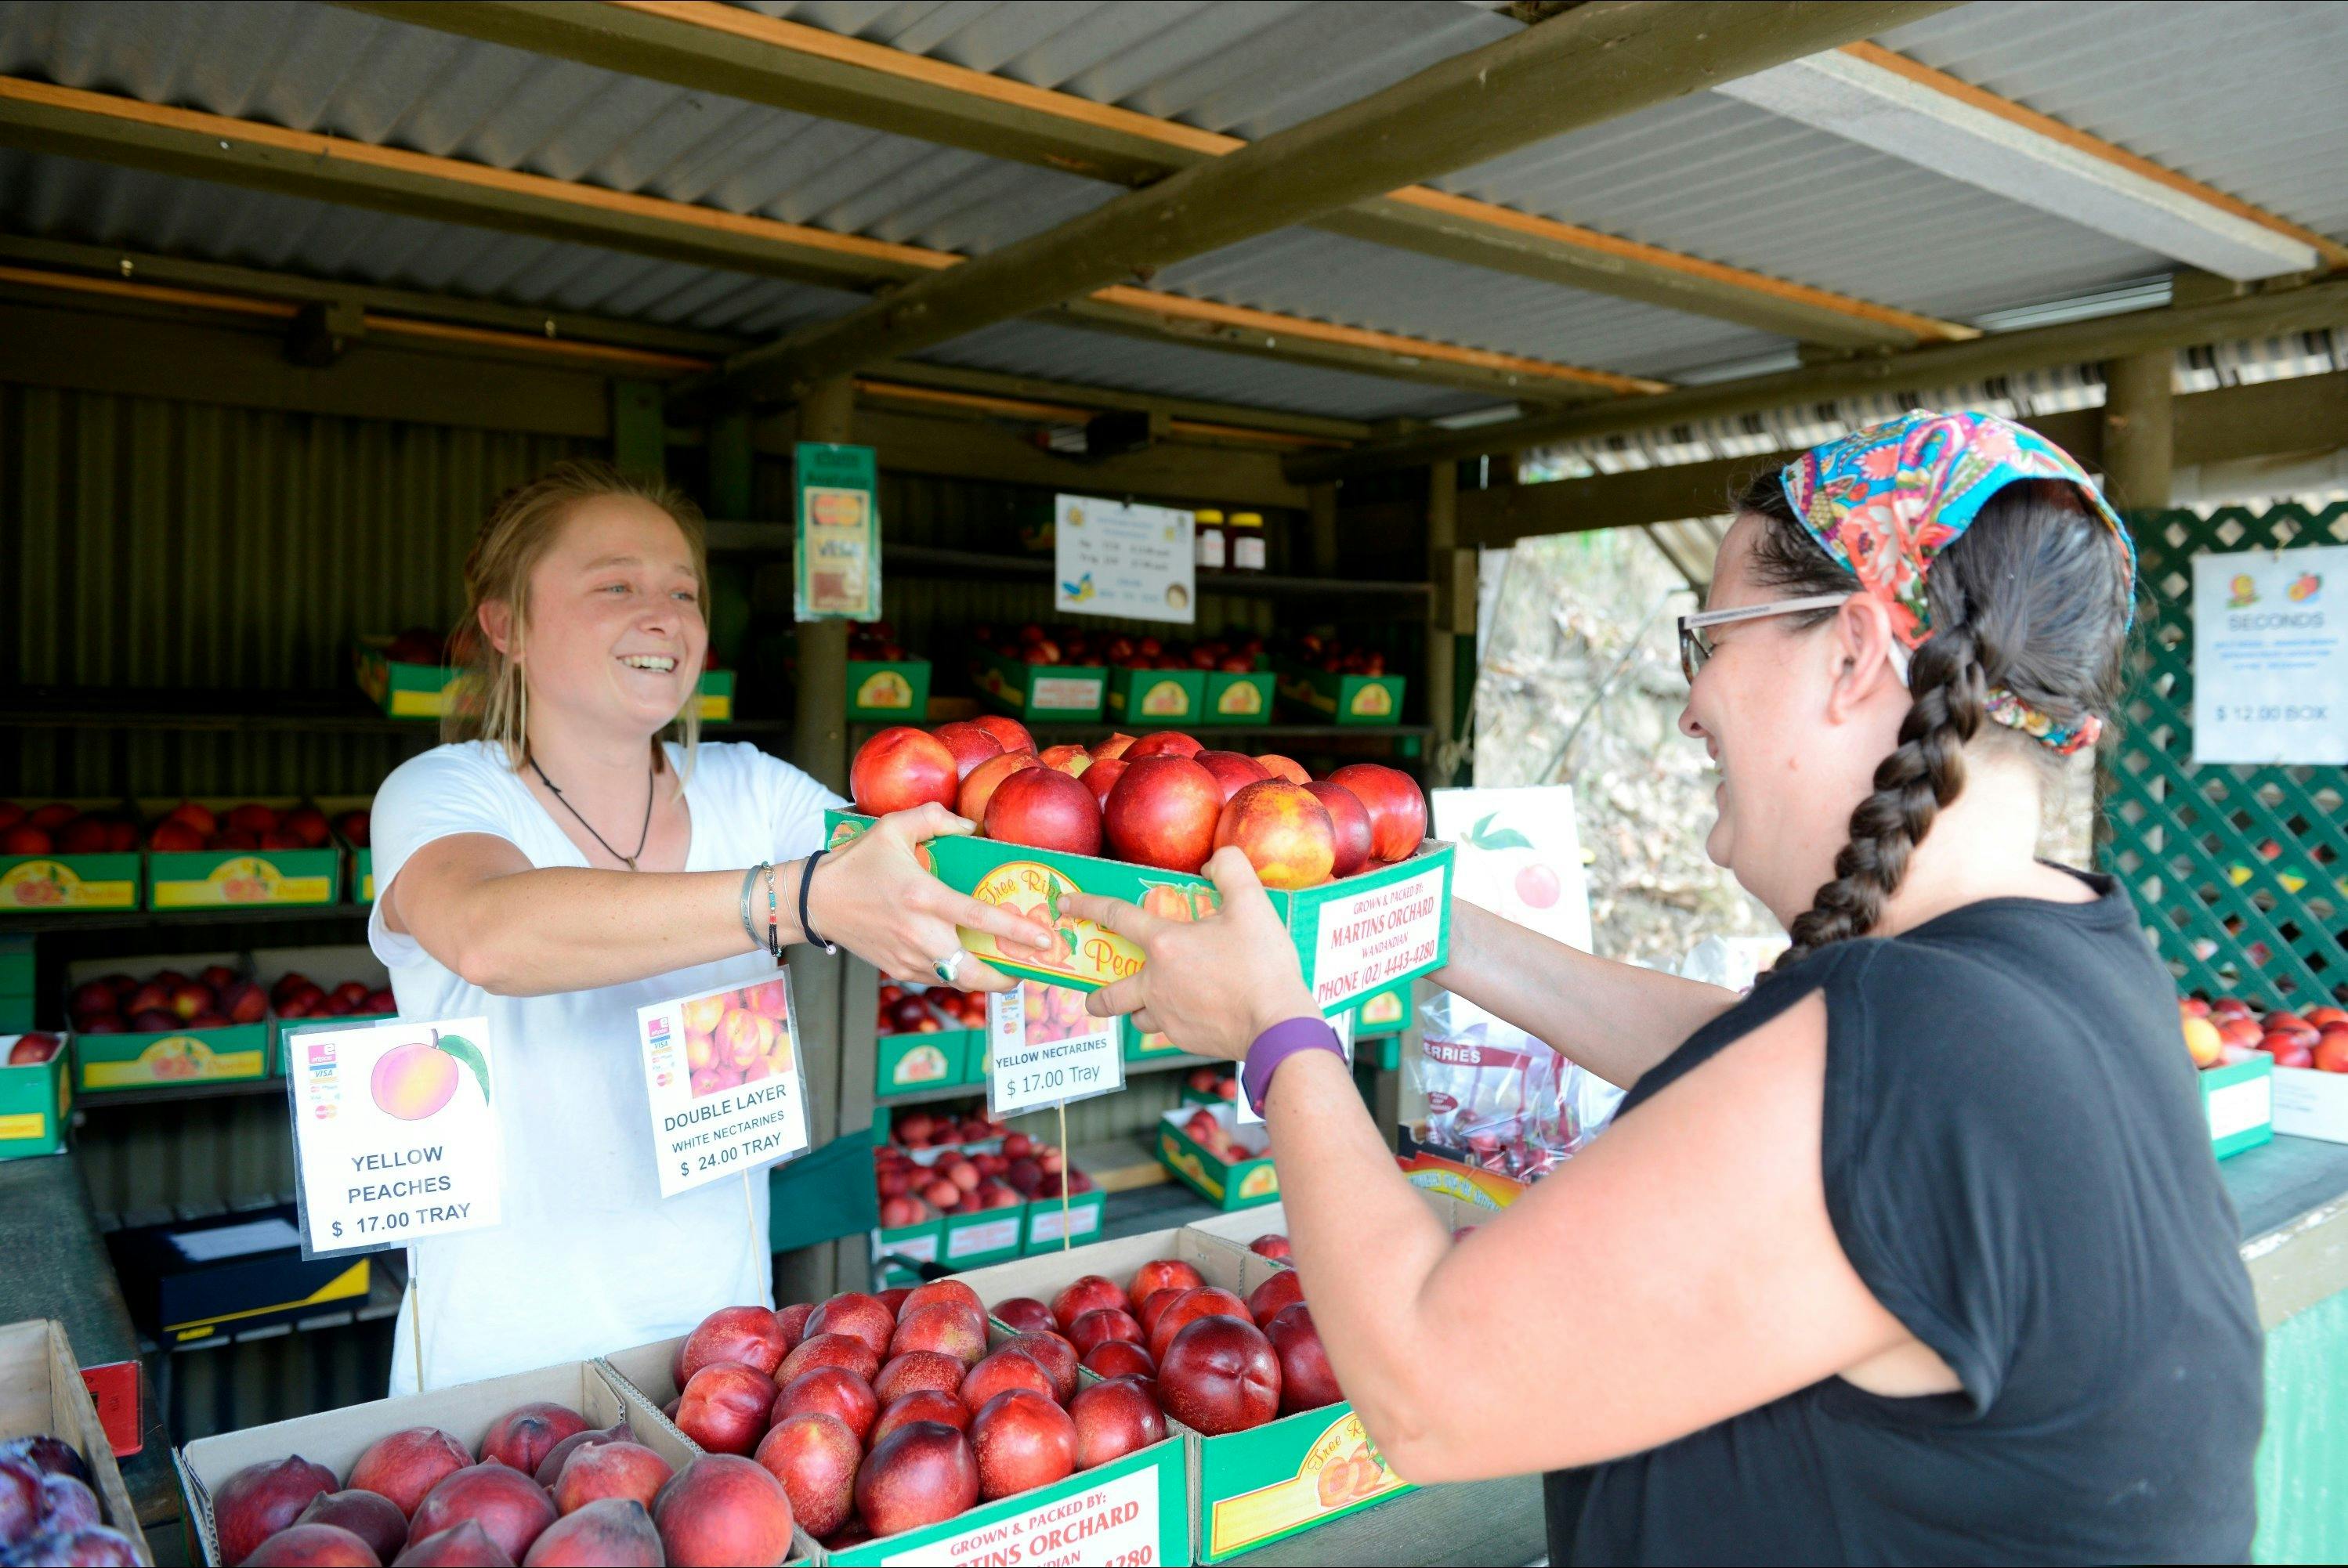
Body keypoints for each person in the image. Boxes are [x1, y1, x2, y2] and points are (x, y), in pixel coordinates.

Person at [1069, 412, 2264, 1563]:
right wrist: (1418, 927)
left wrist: (1275, 1034)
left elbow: (1426, 1391)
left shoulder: (1907, 1044)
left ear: (1853, 653)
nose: (1691, 707)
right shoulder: (2066, 956)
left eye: (1712, 640)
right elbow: (1755, 1066)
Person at [368, 461, 1048, 1392]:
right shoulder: (442, 792)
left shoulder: (752, 790)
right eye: (616, 586)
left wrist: (1030, 922)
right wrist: (797, 899)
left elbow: (917, 882)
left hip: (723, 1366)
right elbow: (491, 933)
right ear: (506, 625)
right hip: (499, 1380)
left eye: (683, 592)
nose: (665, 617)